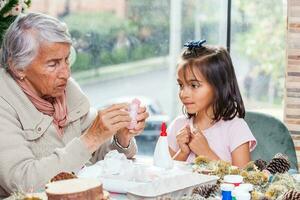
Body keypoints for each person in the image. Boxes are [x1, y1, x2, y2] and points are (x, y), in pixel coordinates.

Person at [0, 13, 148, 197]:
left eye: (66, 60)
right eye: (53, 64)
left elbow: (102, 161)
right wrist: (91, 138)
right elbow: (24, 183)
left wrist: (121, 137)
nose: (66, 73)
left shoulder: (67, 92)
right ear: (18, 67)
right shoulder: (4, 103)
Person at [167, 40, 256, 168]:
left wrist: (206, 153)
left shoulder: (236, 128)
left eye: (193, 85)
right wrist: (183, 153)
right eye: (181, 85)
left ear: (218, 86)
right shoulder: (178, 126)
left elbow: (243, 181)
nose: (183, 94)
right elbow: (163, 176)